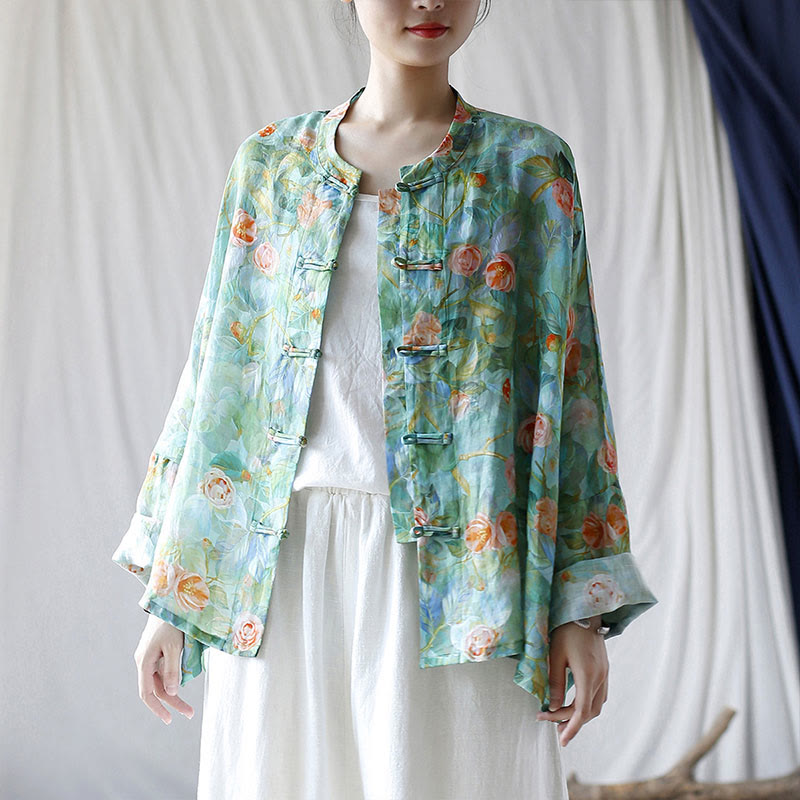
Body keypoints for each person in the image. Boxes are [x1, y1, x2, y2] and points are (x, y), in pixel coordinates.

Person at [119, 1, 659, 797]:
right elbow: (219, 378)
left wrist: (577, 606)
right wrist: (173, 594)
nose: (428, 1)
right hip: (286, 570)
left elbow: (570, 387)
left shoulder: (529, 169)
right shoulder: (271, 166)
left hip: (469, 570)